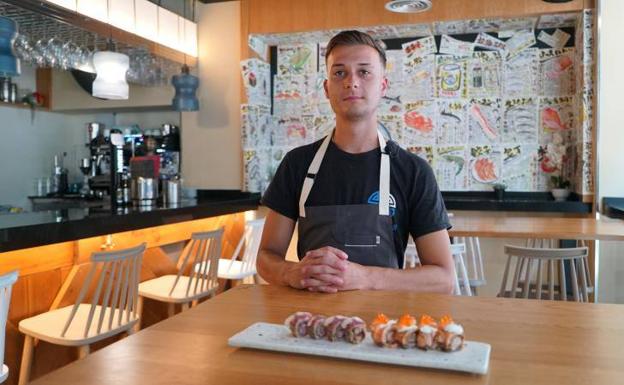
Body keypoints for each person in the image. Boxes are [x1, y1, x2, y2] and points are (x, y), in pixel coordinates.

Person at [257, 30, 454, 294]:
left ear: (382, 86)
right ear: (327, 88)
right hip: (310, 324)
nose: (352, 82)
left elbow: (443, 278)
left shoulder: (413, 171)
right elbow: (266, 257)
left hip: (384, 326)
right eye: (339, 73)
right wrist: (291, 272)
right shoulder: (297, 164)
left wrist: (365, 278)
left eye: (364, 72)